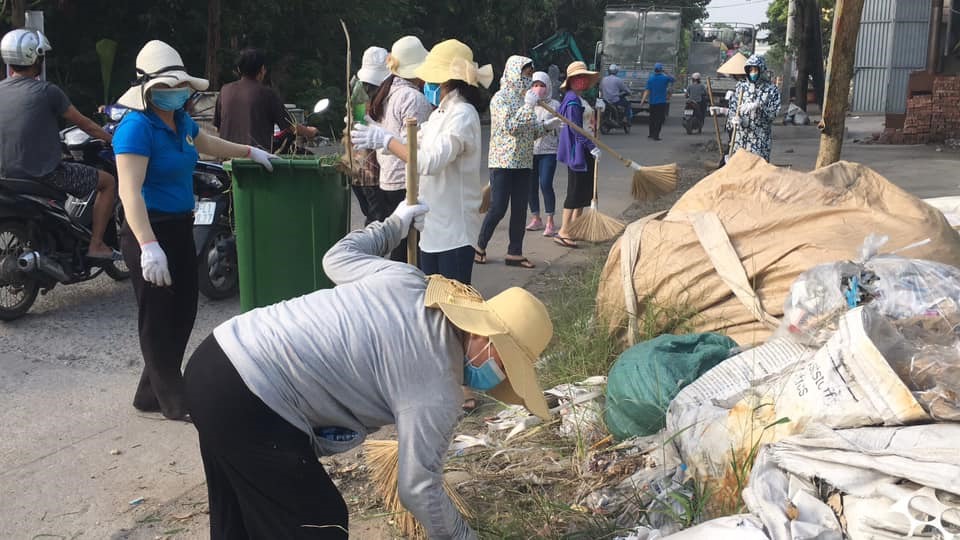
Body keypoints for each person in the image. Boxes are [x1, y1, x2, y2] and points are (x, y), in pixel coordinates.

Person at [183, 203, 553, 539]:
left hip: (215, 358)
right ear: (483, 334)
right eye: (503, 362)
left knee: (239, 517)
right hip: (250, 397)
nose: (498, 377)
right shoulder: (438, 383)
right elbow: (419, 488)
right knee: (318, 521)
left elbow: (338, 257)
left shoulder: (408, 280)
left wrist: (394, 223)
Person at [112, 40, 276, 421]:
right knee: (157, 317)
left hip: (181, 226)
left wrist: (249, 152)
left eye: (179, 86)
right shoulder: (136, 128)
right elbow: (129, 191)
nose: (177, 92)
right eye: (168, 87)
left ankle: (148, 392)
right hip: (148, 231)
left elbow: (206, 143)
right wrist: (148, 245)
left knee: (184, 309)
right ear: (149, 90)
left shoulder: (180, 121)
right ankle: (175, 400)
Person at [352, 39, 492, 285]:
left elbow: (429, 162)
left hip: (454, 232)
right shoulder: (440, 113)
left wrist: (385, 141)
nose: (427, 82)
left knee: (452, 310)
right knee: (430, 308)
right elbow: (415, 144)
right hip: (432, 228)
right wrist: (379, 132)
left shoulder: (463, 114)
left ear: (446, 80)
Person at [0, 29, 119, 261]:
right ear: (36, 58)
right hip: (44, 175)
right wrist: (113, 139)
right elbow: (84, 124)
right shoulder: (47, 92)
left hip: (6, 177)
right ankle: (96, 245)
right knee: (108, 182)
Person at [476, 55, 556, 269]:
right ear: (514, 73)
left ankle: (515, 252)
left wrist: (546, 127)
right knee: (498, 208)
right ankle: (480, 246)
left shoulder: (524, 99)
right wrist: (529, 106)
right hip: (503, 162)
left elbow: (528, 131)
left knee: (520, 208)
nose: (529, 80)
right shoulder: (500, 99)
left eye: (530, 75)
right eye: (526, 74)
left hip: (523, 161)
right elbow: (512, 127)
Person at [367, 35, 434, 261]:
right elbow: (417, 146)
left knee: (399, 243)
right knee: (407, 250)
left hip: (388, 179)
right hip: (407, 182)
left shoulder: (389, 91)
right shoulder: (413, 98)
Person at [214, 48, 318, 151]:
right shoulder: (267, 94)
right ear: (262, 69)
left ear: (239, 69)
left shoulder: (224, 90)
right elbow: (290, 127)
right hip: (255, 160)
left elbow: (218, 128)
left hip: (225, 159)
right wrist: (310, 132)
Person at [554, 61, 600, 249]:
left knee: (583, 191)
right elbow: (575, 129)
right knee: (575, 191)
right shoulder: (572, 100)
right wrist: (590, 146)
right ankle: (564, 231)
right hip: (579, 151)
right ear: (571, 81)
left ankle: (575, 228)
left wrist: (599, 110)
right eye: (578, 78)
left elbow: (587, 122)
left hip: (586, 149)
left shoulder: (579, 99)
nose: (582, 81)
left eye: (584, 77)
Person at [350, 46, 391, 225]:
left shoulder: (357, 89)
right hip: (371, 171)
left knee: (373, 217)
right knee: (377, 221)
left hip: (356, 170)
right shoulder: (375, 95)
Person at [726, 54, 781, 161]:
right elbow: (733, 107)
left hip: (760, 139)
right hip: (741, 138)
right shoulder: (741, 87)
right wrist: (733, 120)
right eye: (750, 70)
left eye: (756, 70)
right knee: (739, 168)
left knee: (758, 170)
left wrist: (759, 107)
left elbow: (774, 114)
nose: (753, 73)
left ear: (762, 70)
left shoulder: (771, 90)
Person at [526, 71, 561, 237]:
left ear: (548, 87)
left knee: (545, 183)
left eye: (542, 85)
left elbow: (562, 128)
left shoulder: (554, 105)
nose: (538, 88)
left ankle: (550, 221)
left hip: (549, 151)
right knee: (530, 186)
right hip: (530, 150)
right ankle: (536, 218)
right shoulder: (527, 105)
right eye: (535, 85)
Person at [639, 62, 675, 141]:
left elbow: (647, 91)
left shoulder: (651, 79)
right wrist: (666, 72)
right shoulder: (665, 78)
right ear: (661, 70)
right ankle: (656, 135)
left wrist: (642, 101)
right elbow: (673, 79)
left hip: (652, 102)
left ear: (654, 70)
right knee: (659, 119)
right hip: (661, 102)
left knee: (652, 118)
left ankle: (651, 134)